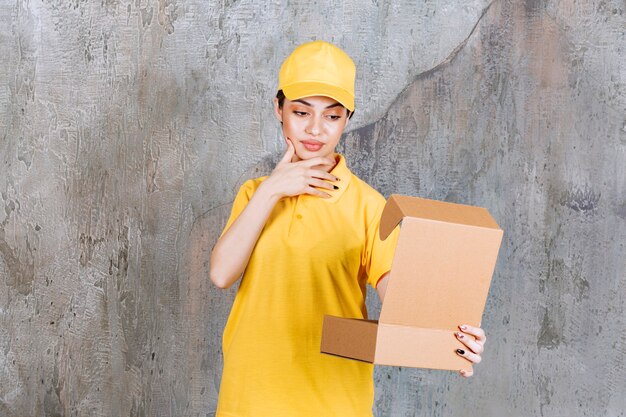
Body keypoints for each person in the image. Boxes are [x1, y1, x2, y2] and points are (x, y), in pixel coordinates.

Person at [210, 40, 487, 417]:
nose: (315, 129)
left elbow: (407, 308)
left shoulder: (369, 207)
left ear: (347, 118)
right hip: (250, 400)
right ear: (279, 110)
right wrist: (273, 189)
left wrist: (454, 338)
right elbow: (222, 273)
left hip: (334, 403)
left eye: (332, 116)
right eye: (301, 111)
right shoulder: (254, 194)